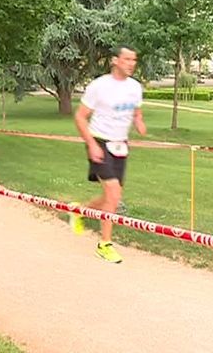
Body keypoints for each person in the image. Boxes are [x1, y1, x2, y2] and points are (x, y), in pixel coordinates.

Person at [72, 45, 147, 264]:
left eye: (134, 60)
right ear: (115, 60)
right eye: (127, 59)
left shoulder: (135, 87)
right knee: (113, 192)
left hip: (120, 145)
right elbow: (80, 117)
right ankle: (104, 244)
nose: (131, 64)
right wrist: (92, 145)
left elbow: (137, 111)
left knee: (110, 198)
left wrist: (139, 122)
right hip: (99, 141)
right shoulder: (99, 86)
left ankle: (80, 211)